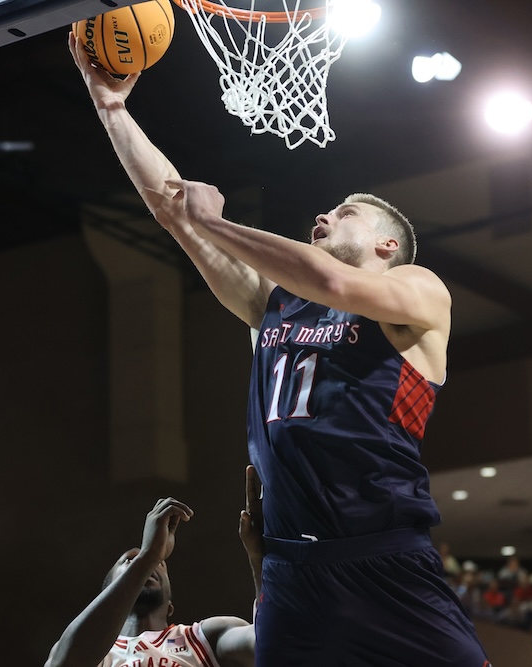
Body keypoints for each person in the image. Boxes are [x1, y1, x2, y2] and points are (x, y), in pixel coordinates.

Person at [69, 32, 491, 667]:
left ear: (386, 246)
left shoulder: (417, 290)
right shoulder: (275, 305)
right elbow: (173, 209)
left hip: (381, 554)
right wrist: (111, 109)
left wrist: (215, 220)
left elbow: (332, 282)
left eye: (344, 213)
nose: (322, 217)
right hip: (292, 564)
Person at [44, 481, 261, 667]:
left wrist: (263, 561)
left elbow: (272, 645)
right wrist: (148, 556)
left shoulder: (204, 637)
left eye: (160, 564)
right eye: (129, 561)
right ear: (110, 591)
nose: (150, 566)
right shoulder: (96, 654)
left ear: (170, 606)